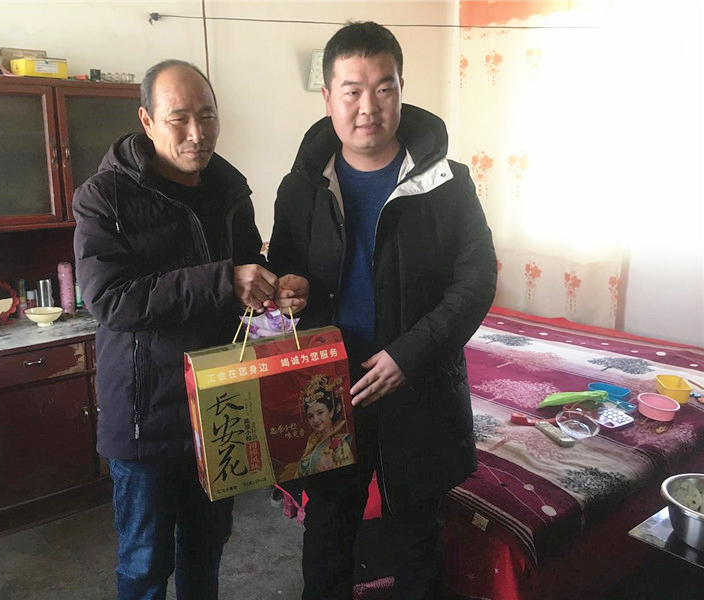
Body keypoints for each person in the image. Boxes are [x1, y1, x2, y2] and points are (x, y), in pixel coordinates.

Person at [268, 22, 498, 600]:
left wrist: (408, 355)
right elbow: (287, 275)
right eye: (352, 90)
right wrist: (289, 290)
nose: (368, 106)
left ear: (400, 89)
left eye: (383, 88)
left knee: (417, 537)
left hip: (418, 388)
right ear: (328, 97)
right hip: (328, 390)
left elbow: (475, 281)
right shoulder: (300, 189)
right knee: (327, 532)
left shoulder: (447, 184)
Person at [73, 59, 293, 600]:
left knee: (206, 547)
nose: (197, 133)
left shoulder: (229, 190)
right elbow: (110, 299)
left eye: (208, 116)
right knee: (145, 562)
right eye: (179, 119)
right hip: (144, 416)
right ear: (147, 121)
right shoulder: (104, 196)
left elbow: (247, 274)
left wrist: (273, 288)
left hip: (217, 408)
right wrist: (225, 280)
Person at [291, 374, 354, 479]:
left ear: (331, 412)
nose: (316, 420)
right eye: (311, 416)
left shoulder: (340, 444)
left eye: (320, 413)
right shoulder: (311, 445)